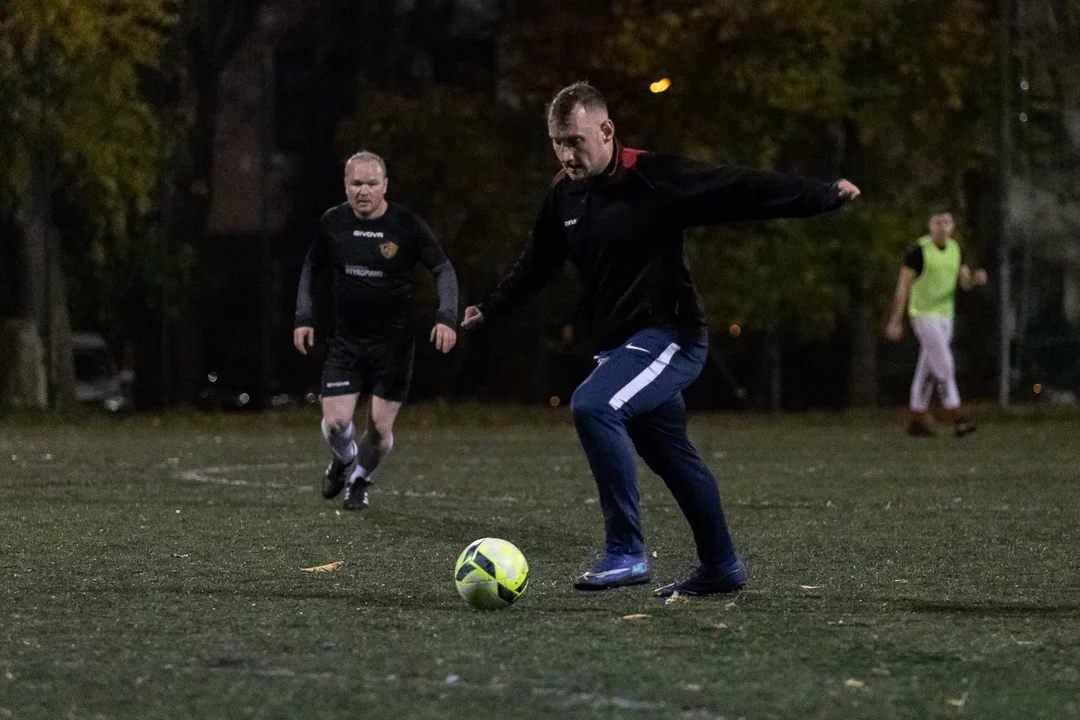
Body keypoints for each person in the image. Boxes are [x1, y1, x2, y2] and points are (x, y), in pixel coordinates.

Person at [461, 82, 860, 597]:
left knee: (593, 405)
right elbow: (537, 265)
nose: (566, 154)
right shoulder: (565, 193)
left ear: (606, 130)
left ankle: (626, 551)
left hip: (671, 335)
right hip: (622, 347)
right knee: (672, 456)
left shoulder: (655, 178)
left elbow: (737, 188)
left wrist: (820, 196)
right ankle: (721, 567)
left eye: (575, 141)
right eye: (557, 142)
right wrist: (490, 309)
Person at [294, 150, 458, 510]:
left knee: (380, 434)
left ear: (385, 185)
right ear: (345, 186)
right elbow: (311, 267)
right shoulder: (333, 222)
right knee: (336, 423)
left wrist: (446, 316)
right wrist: (303, 316)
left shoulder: (406, 226)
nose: (363, 190)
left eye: (371, 183)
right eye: (356, 183)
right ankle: (342, 459)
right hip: (347, 341)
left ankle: (360, 480)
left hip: (393, 347)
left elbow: (443, 270)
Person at [885, 208, 986, 437]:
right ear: (930, 225)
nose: (943, 227)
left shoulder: (955, 249)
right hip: (922, 315)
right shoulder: (919, 252)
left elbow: (964, 283)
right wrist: (895, 320)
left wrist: (974, 280)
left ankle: (916, 420)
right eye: (938, 222)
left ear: (953, 226)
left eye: (947, 222)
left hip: (945, 317)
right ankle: (958, 418)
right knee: (945, 365)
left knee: (928, 369)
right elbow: (903, 287)